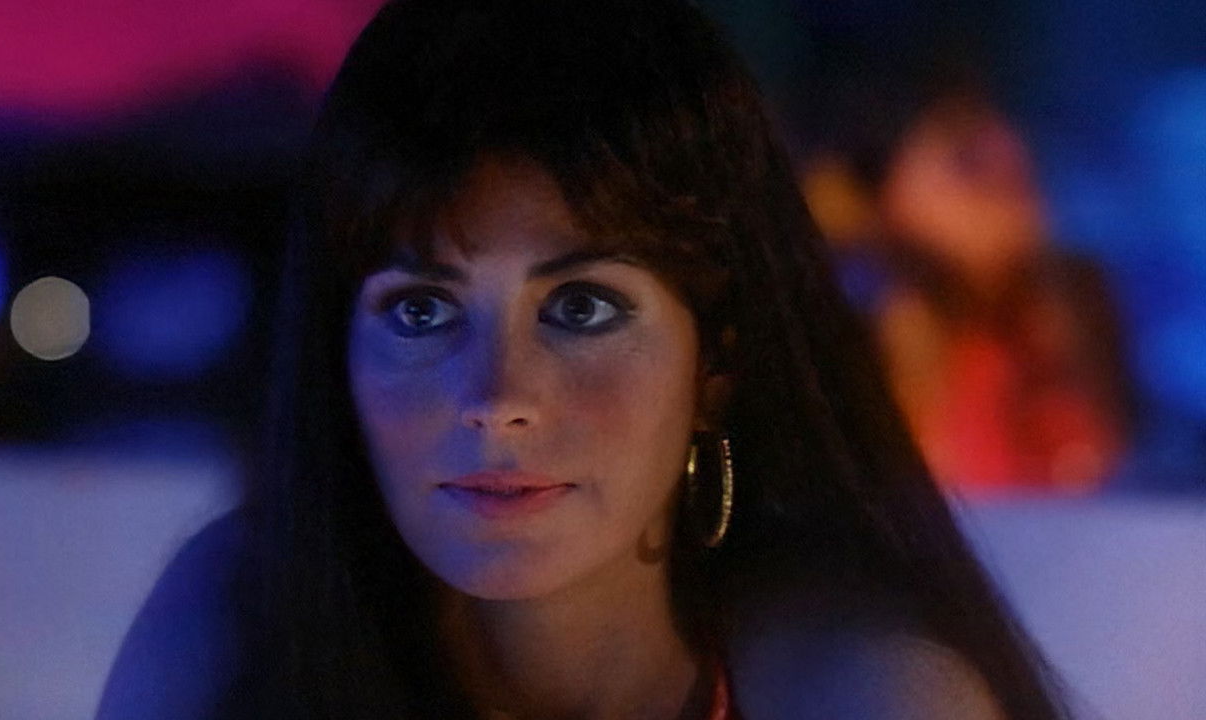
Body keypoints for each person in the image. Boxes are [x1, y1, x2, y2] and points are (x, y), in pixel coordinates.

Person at [97, 1, 1073, 718]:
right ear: (335, 353)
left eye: (580, 307)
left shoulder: (863, 695)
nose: (495, 398)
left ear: (716, 365)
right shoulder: (240, 624)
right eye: (421, 310)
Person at [799, 64, 1132, 493]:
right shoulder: (851, 314)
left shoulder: (1058, 314)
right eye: (971, 166)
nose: (1019, 208)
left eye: (1021, 179)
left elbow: (1093, 474)